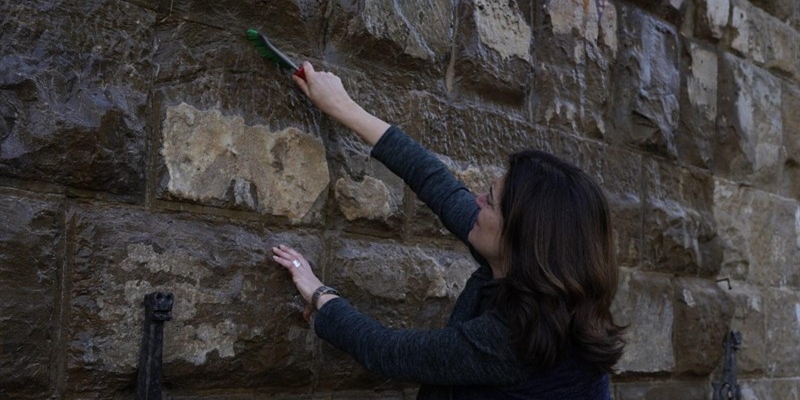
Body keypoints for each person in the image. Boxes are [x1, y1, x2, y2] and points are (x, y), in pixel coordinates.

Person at [271, 61, 625, 400]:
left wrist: (319, 294)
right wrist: (342, 106)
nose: (477, 200)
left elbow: (386, 351)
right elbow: (435, 182)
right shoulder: (535, 282)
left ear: (522, 237)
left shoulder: (516, 339)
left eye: (490, 201)